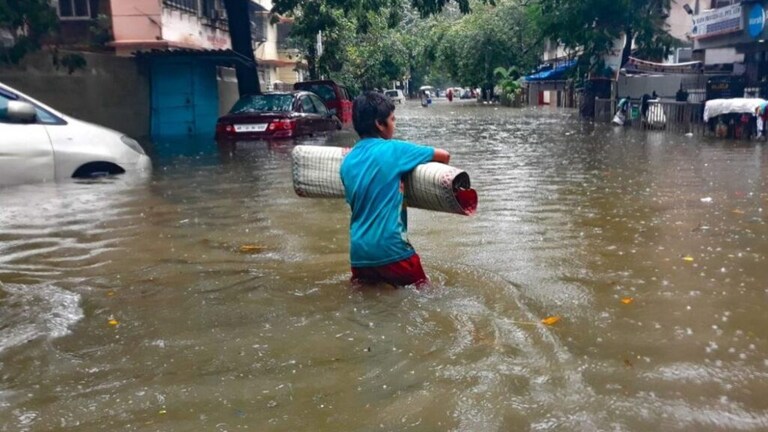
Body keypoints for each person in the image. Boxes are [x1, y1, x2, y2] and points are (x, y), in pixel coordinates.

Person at [340, 92, 451, 288]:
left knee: (369, 300)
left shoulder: (346, 161)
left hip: (359, 254)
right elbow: (444, 156)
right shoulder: (394, 150)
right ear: (379, 124)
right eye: (392, 119)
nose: (395, 124)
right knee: (426, 292)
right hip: (392, 249)